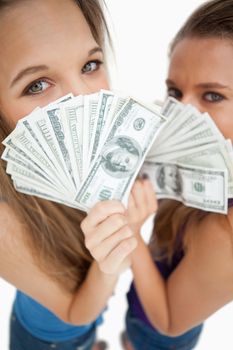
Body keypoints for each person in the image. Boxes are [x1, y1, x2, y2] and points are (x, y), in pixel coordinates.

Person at [82, 1, 233, 349]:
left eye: (212, 95)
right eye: (175, 93)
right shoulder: (189, 156)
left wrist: (131, 232)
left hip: (161, 331)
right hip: (143, 295)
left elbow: (168, 321)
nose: (182, 114)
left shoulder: (226, 231)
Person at [0, 1, 137, 349]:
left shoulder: (108, 154)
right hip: (47, 339)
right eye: (36, 85)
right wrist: (108, 267)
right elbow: (76, 313)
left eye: (90, 65)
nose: (85, 100)